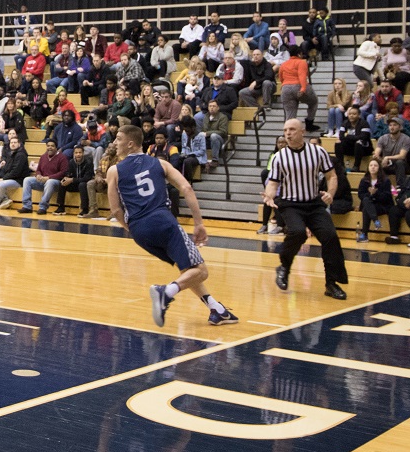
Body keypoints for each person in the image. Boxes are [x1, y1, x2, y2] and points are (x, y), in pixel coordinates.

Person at [106, 124, 237, 328]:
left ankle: (216, 309)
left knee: (187, 269)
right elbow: (186, 188)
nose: (115, 142)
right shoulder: (160, 164)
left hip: (139, 231)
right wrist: (198, 223)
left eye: (119, 138)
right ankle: (165, 292)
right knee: (201, 271)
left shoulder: (113, 170)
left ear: (131, 144)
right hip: (162, 220)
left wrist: (130, 228)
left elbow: (115, 210)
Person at [263, 118, 349, 299]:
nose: (288, 133)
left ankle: (331, 284)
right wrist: (269, 196)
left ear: (302, 132)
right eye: (285, 130)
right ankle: (284, 266)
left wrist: (331, 194)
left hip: (313, 202)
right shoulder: (280, 157)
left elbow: (331, 176)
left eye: (292, 129)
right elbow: (273, 183)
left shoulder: (318, 152)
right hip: (290, 203)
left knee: (330, 236)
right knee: (298, 232)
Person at [20, 141, 70, 215]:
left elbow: (63, 172)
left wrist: (49, 177)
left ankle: (43, 207)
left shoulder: (62, 157)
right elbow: (38, 170)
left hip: (56, 183)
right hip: (43, 181)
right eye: (48, 145)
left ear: (56, 147)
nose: (50, 147)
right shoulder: (43, 156)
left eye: (52, 146)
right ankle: (27, 206)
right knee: (27, 180)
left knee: (50, 182)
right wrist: (38, 175)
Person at [355, 158, 393, 243]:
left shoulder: (385, 180)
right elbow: (360, 194)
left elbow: (386, 196)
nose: (373, 167)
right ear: (368, 167)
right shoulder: (364, 180)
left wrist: (375, 194)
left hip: (382, 205)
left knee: (366, 207)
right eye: (371, 165)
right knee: (365, 201)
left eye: (375, 165)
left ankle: (364, 234)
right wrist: (370, 195)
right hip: (369, 204)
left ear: (379, 168)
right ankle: (375, 221)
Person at [0, 130, 29, 209]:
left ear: (19, 144)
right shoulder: (10, 154)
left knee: (1, 184)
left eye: (15, 142)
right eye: (11, 143)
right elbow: (6, 168)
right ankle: (5, 199)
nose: (13, 144)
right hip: (10, 178)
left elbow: (16, 172)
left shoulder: (21, 155)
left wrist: (3, 179)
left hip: (18, 180)